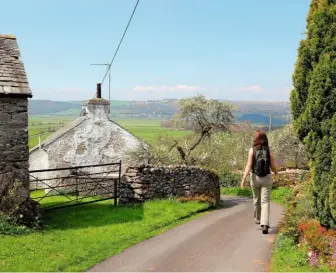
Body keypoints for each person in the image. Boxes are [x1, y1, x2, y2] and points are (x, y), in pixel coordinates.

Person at [240, 129, 278, 234]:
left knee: (256, 199)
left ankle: (258, 218)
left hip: (254, 177)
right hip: (266, 178)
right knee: (265, 201)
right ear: (265, 139)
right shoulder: (269, 150)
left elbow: (248, 165)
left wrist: (243, 178)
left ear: (256, 139)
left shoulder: (252, 150)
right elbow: (273, 165)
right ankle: (265, 224)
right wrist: (276, 173)